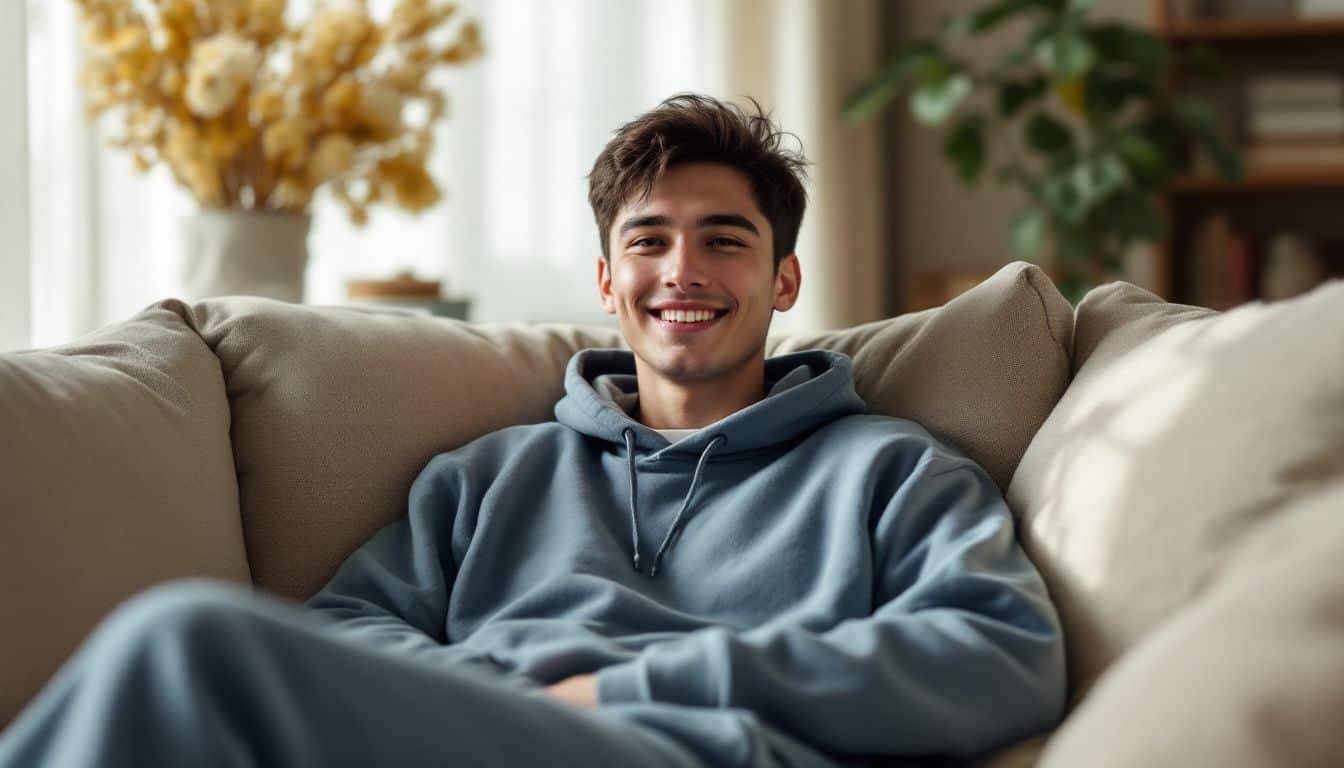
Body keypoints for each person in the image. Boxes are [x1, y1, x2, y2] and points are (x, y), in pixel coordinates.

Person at [0, 94, 1065, 768]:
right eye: (648, 241)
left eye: (724, 241)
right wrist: (497, 694)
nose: (683, 271)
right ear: (608, 280)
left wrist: (633, 686)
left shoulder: (890, 471)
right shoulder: (490, 478)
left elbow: (1002, 655)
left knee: (185, 641)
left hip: (691, 751)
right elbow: (346, 631)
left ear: (784, 278)